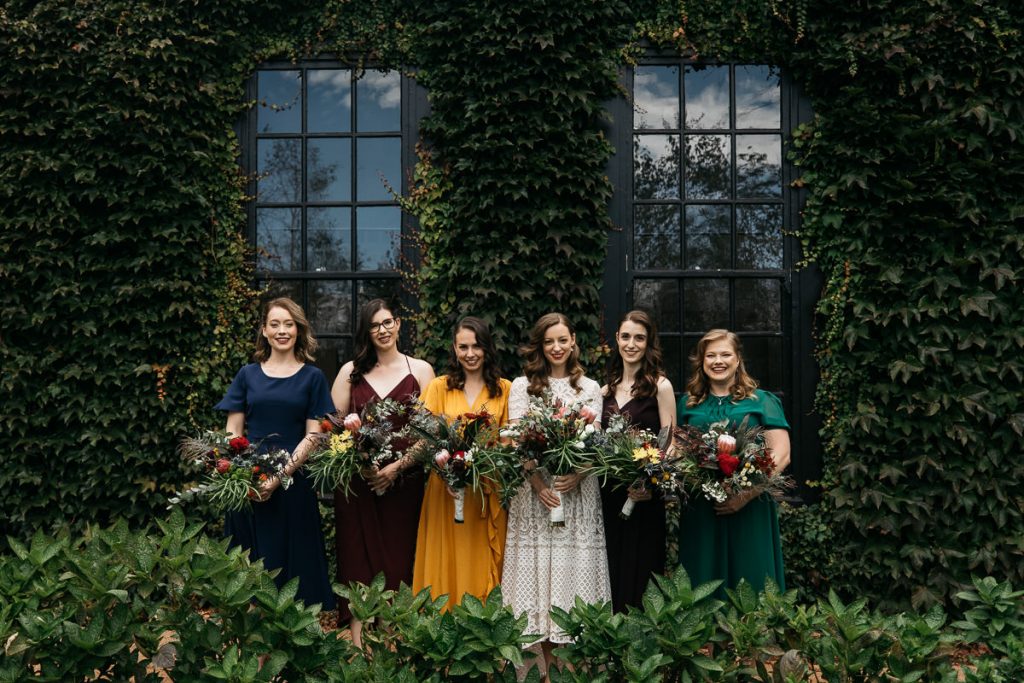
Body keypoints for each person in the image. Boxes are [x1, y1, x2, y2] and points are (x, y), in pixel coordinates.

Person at [502, 312, 611, 676]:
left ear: (574, 341)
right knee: (534, 578)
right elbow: (516, 441)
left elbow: (595, 443)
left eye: (562, 340)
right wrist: (537, 485)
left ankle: (568, 672)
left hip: (576, 496)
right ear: (539, 345)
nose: (556, 348)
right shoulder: (522, 386)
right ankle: (532, 672)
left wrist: (577, 475)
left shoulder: (591, 388)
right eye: (549, 341)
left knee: (570, 578)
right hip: (535, 497)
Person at [216, 297, 335, 609]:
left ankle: (290, 653)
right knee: (249, 577)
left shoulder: (313, 378)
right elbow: (233, 432)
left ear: (298, 330)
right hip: (248, 489)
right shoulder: (247, 375)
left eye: (289, 324)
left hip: (293, 487)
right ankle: (253, 654)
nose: (282, 330)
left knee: (294, 578)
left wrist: (280, 477)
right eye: (275, 324)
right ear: (264, 331)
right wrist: (246, 478)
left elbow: (314, 435)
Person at [331, 299, 434, 646]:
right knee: (358, 562)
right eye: (375, 325)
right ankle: (359, 650)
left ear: (399, 324)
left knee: (399, 561)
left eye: (387, 322)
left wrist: (397, 467)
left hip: (405, 487)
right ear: (367, 332)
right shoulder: (350, 372)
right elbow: (334, 428)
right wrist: (362, 462)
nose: (383, 330)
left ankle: (393, 647)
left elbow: (432, 432)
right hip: (359, 487)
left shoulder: (421, 370)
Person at [676, 329, 791, 594]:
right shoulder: (688, 405)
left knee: (751, 575)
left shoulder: (762, 401)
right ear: (702, 362)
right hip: (703, 508)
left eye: (726, 354)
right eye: (711, 355)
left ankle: (753, 633)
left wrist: (746, 493)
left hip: (750, 507)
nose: (719, 361)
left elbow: (781, 454)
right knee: (702, 579)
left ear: (738, 359)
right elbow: (679, 453)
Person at [412, 317, 511, 608]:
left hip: (486, 490)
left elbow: (509, 443)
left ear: (487, 348)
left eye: (477, 346)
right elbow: (424, 438)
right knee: (445, 560)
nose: (470, 353)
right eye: (463, 346)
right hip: (445, 491)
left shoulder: (504, 389)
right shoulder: (439, 387)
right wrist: (446, 472)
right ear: (454, 349)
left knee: (481, 561)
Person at [600, 310, 675, 612]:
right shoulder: (604, 390)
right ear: (617, 339)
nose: (631, 344)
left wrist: (649, 479)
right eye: (626, 336)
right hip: (609, 493)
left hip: (645, 495)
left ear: (648, 343)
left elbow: (671, 441)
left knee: (643, 570)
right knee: (610, 566)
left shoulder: (661, 386)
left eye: (639, 338)